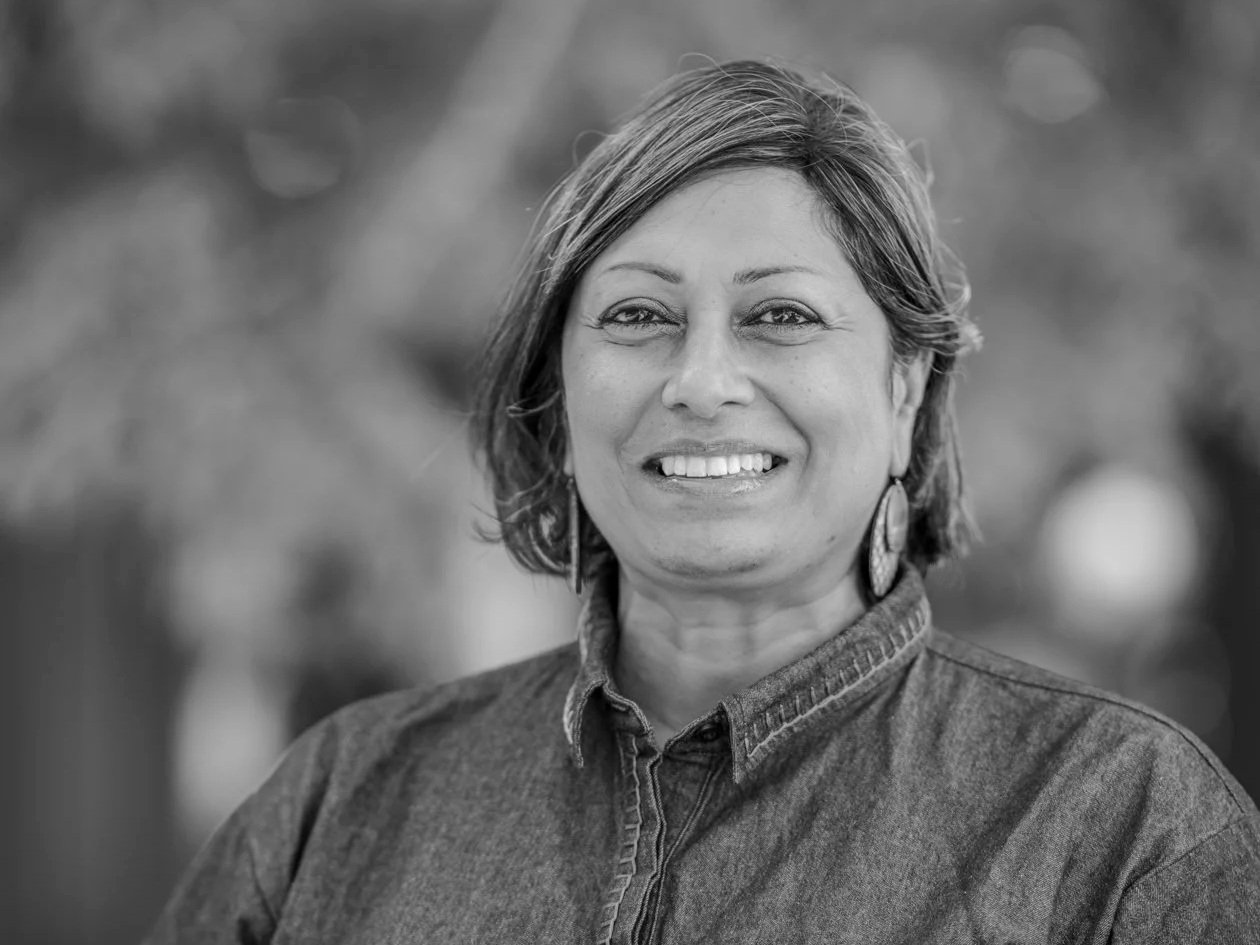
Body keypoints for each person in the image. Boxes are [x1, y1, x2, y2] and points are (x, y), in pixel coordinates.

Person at [146, 60, 1260, 943]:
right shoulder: (343, 798)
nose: (701, 380)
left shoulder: (1121, 821)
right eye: (637, 318)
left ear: (905, 384)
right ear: (559, 390)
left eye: (781, 316)